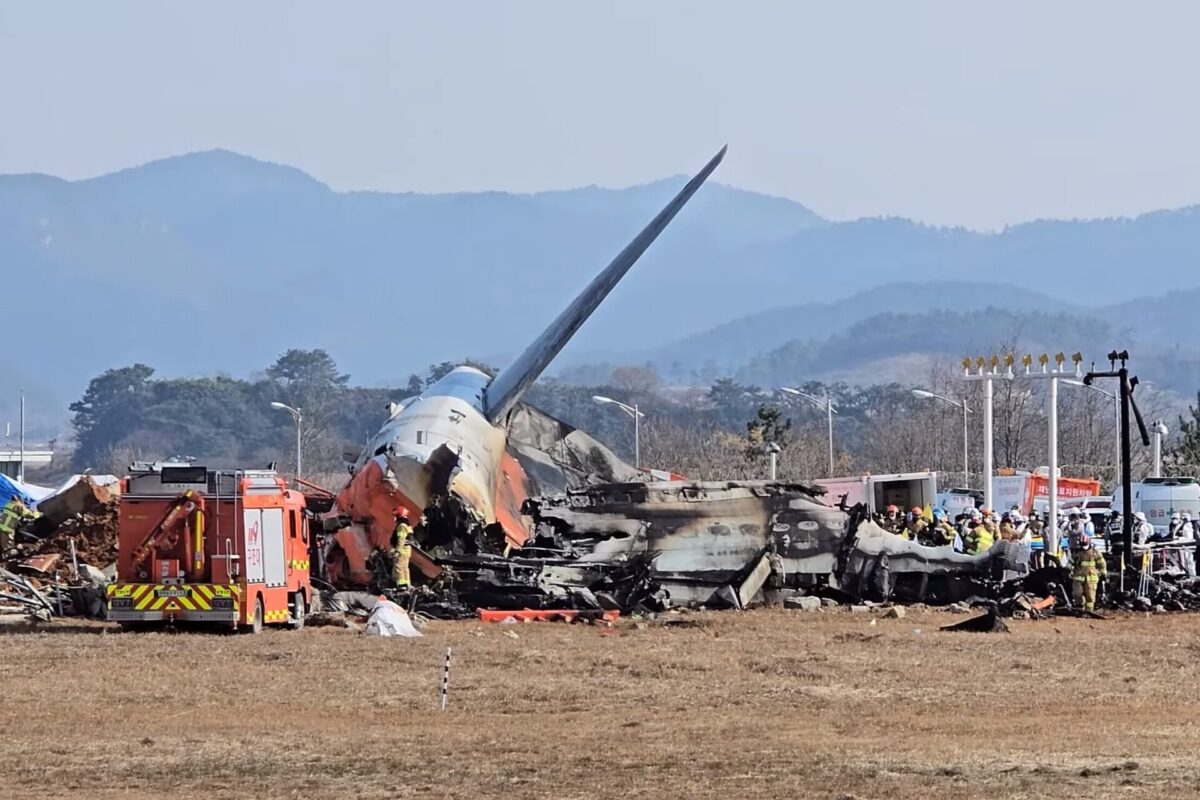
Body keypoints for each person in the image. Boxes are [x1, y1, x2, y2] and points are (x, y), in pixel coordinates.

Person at [1070, 532, 1107, 612]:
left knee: (1090, 596)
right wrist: (1067, 568)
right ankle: (1079, 608)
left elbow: (1102, 564)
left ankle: (1089, 611)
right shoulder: (1076, 553)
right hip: (1078, 578)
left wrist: (1103, 573)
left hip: (1091, 578)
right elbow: (1069, 562)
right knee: (1077, 593)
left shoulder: (1095, 553)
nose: (1084, 546)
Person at [389, 507, 414, 588]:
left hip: (402, 550)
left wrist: (397, 551)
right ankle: (407, 584)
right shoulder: (408, 525)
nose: (394, 518)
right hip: (407, 550)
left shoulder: (402, 526)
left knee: (399, 567)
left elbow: (401, 540)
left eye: (396, 515)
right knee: (405, 568)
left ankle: (401, 586)